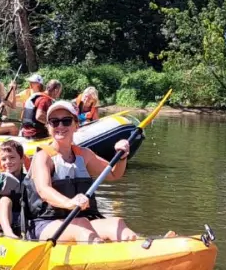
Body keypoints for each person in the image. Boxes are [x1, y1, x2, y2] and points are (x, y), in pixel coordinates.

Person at [24, 100, 139, 242]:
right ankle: (99, 255)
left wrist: (122, 157)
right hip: (46, 223)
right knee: (82, 226)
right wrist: (69, 203)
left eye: (66, 121)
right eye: (54, 122)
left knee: (116, 223)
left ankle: (146, 251)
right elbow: (44, 190)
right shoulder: (43, 156)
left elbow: (114, 174)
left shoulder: (84, 154)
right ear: (48, 127)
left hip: (82, 219)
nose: (60, 126)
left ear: (76, 125)